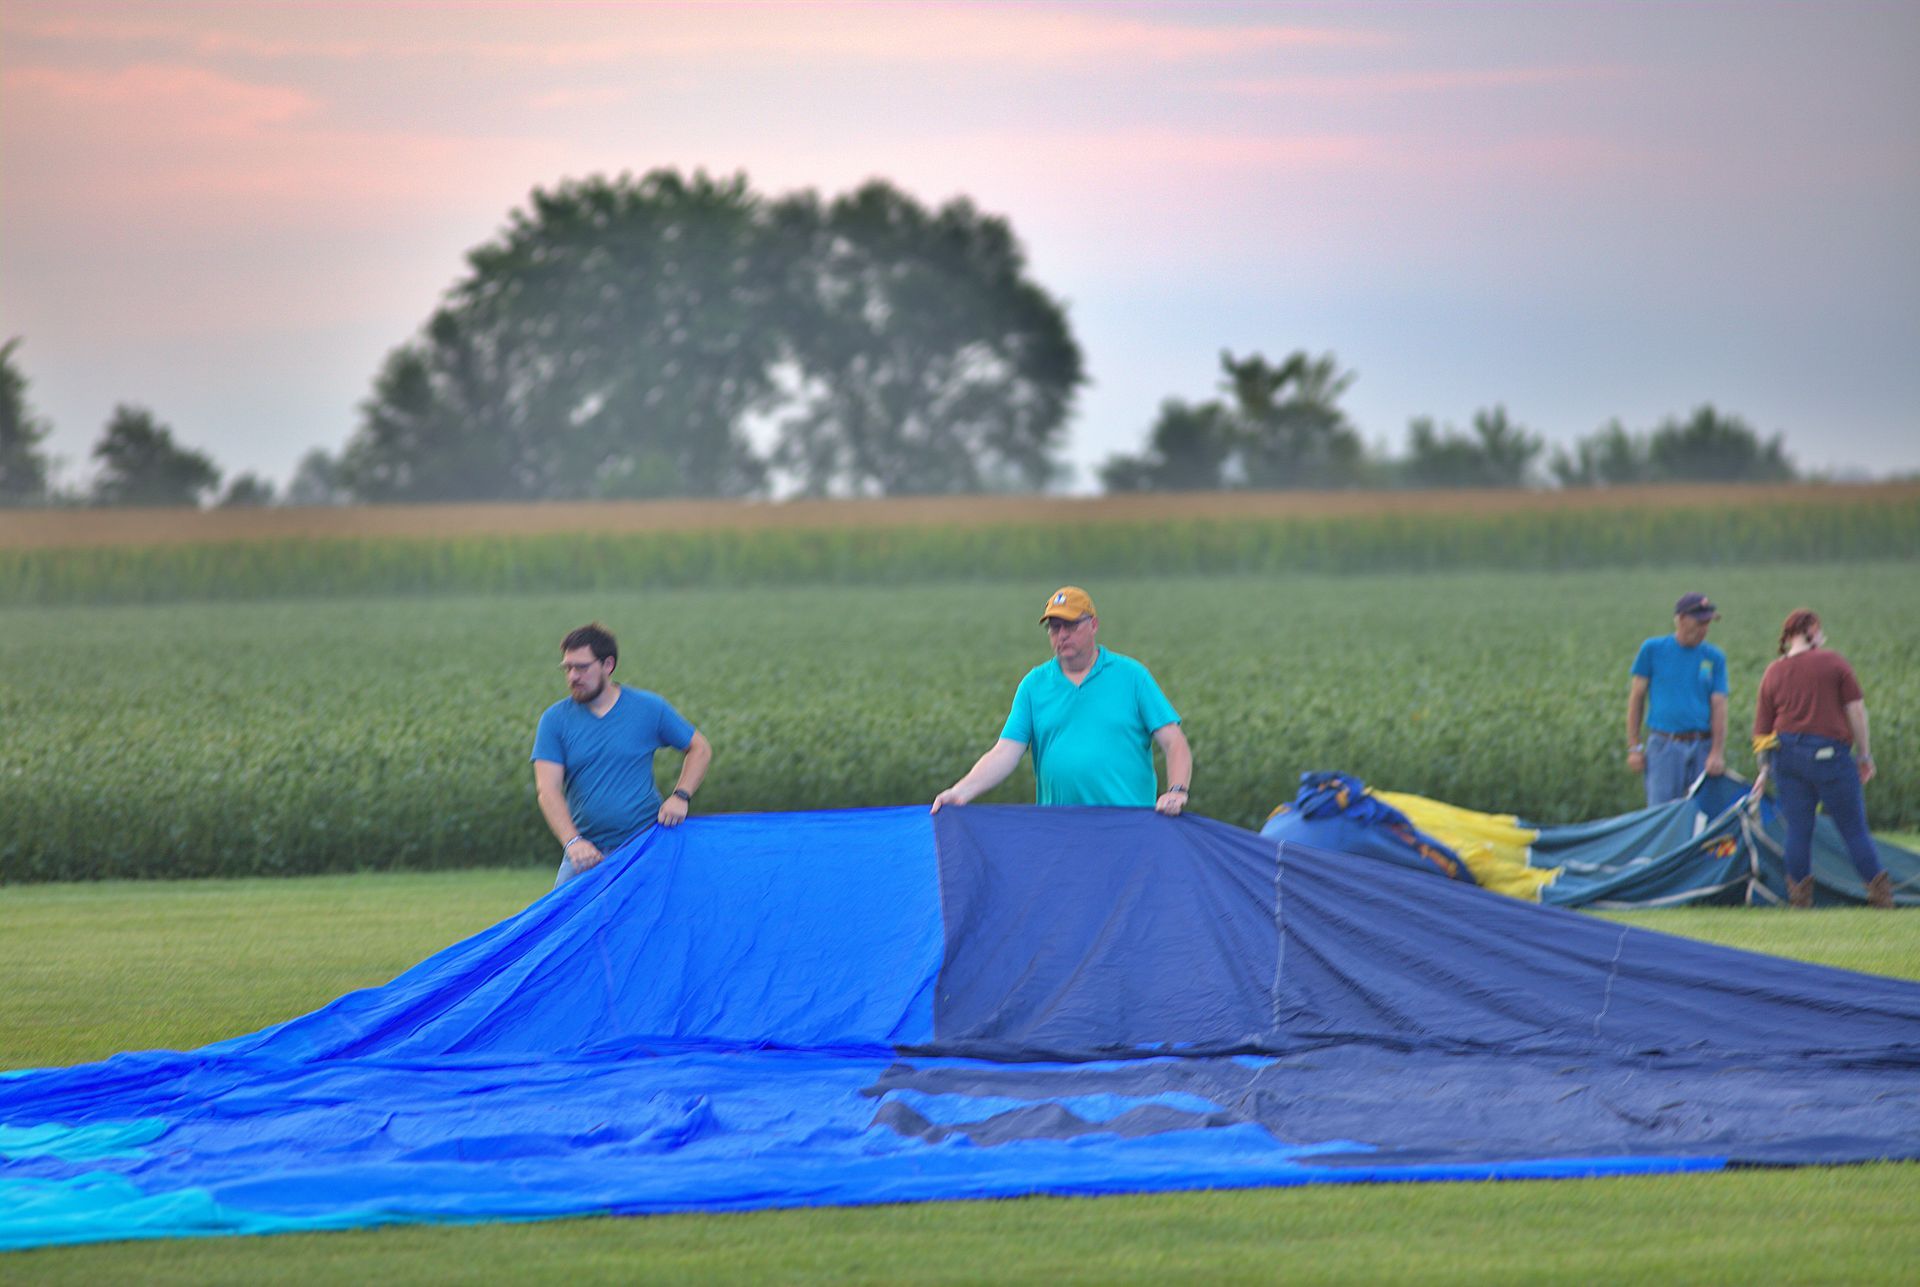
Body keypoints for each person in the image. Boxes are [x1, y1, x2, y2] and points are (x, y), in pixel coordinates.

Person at [932, 586, 1191, 815]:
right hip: (1059, 832)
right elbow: (1004, 753)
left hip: (1130, 828)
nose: (1062, 635)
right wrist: (961, 791)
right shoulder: (1034, 685)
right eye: (1054, 628)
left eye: (1071, 625)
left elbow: (1174, 742)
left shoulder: (1132, 677)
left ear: (1094, 625)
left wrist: (1177, 791)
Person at [532, 622, 712, 888]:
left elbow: (700, 748)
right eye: (567, 668)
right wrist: (573, 842)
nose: (573, 676)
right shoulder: (555, 720)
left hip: (644, 847)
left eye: (582, 667)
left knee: (651, 926)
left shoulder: (648, 708)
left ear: (608, 665)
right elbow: (547, 789)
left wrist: (680, 796)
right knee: (563, 926)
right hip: (585, 854)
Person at [1751, 609, 1892, 910]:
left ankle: (1800, 900)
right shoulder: (1833, 662)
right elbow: (1855, 711)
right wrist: (1864, 756)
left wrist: (1764, 770)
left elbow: (1762, 731)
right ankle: (1881, 897)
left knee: (1798, 831)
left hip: (1786, 757)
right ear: (1812, 630)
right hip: (1830, 755)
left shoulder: (1773, 672)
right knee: (1852, 828)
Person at [1625, 591, 1729, 806]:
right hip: (1665, 746)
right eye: (1699, 623)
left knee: (1703, 812)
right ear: (1680, 619)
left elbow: (1719, 705)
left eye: (1708, 623)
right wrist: (1634, 747)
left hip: (1702, 745)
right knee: (1662, 814)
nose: (1704, 629)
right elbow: (1636, 698)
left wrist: (1717, 752)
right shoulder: (1652, 650)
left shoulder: (1714, 657)